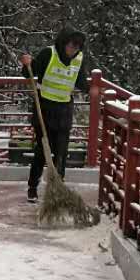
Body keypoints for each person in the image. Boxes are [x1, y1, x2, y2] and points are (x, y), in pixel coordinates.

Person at [20, 29, 90, 203]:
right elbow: (29, 72)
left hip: (64, 110)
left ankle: (57, 189)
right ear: (64, 42)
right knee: (43, 150)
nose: (74, 49)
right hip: (44, 108)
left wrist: (92, 90)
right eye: (72, 45)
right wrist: (27, 63)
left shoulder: (78, 59)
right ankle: (32, 187)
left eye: (78, 47)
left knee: (61, 151)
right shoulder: (48, 54)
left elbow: (81, 82)